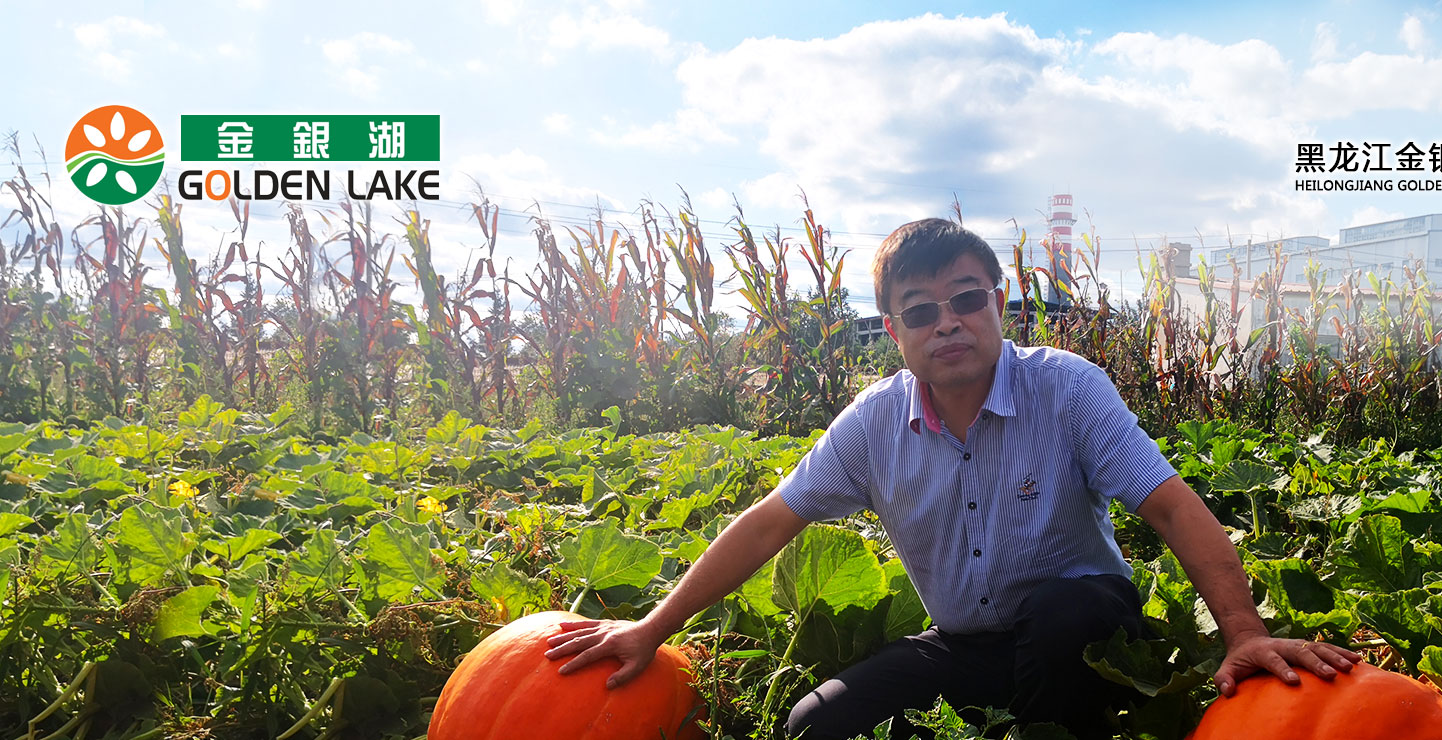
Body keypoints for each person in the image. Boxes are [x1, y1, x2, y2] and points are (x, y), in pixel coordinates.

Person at [543, 218, 1361, 739]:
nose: (949, 323)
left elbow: (1173, 508)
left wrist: (1242, 631)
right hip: (969, 645)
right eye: (922, 311)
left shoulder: (1066, 389)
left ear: (998, 303)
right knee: (812, 724)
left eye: (966, 299)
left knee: (1062, 615)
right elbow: (767, 524)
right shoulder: (873, 424)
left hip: (1088, 633)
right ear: (894, 329)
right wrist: (653, 627)